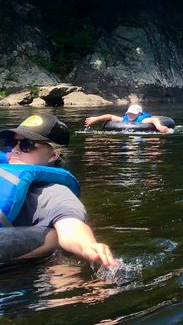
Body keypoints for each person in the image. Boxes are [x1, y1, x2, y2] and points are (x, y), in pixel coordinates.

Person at [1, 113, 118, 267]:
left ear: (53, 155)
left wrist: (87, 246)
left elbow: (70, 225)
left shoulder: (54, 192)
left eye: (26, 145)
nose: (14, 150)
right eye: (11, 143)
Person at [84, 104, 172, 133]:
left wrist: (159, 127)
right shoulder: (125, 119)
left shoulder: (142, 119)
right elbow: (110, 116)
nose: (130, 115)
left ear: (139, 114)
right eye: (129, 113)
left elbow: (154, 119)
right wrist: (96, 118)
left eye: (133, 114)